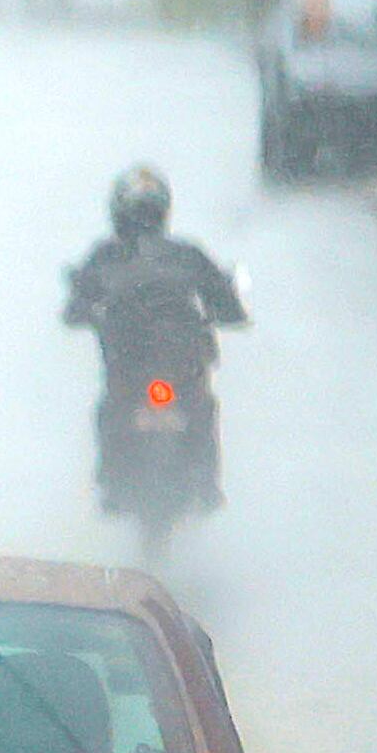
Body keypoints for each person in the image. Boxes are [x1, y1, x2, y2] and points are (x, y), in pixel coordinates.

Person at [61, 166, 245, 510]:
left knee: (125, 407)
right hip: (176, 365)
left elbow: (75, 309)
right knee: (196, 407)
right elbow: (227, 303)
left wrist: (84, 313)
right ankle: (201, 482)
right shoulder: (186, 254)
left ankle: (116, 482)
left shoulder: (106, 255)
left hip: (138, 364)